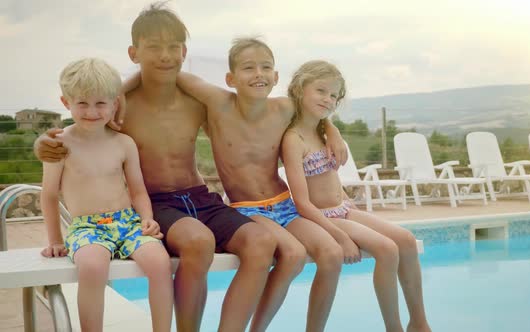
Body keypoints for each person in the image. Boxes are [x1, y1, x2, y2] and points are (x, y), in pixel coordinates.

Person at [35, 3, 277, 332]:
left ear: (184, 51)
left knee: (261, 243)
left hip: (200, 197)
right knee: (198, 242)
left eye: (173, 46)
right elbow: (84, 130)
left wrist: (325, 128)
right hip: (157, 202)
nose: (165, 55)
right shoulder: (121, 104)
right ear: (134, 52)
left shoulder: (196, 98)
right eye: (154, 46)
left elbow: (253, 114)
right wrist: (42, 142)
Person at [170, 37, 349, 332]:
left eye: (266, 67)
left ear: (276, 77)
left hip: (283, 203)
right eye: (248, 68)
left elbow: (317, 111)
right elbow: (171, 71)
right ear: (230, 78)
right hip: (246, 208)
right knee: (292, 255)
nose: (258, 74)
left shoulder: (283, 108)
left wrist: (333, 130)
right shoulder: (218, 103)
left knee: (331, 253)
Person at [281, 60, 432, 332]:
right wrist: (339, 237)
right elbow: (302, 202)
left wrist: (331, 130)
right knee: (386, 250)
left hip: (342, 208)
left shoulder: (322, 130)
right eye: (321, 91)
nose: (328, 99)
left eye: (334, 96)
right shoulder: (294, 139)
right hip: (320, 217)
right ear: (300, 88)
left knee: (406, 240)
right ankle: (393, 327)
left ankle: (419, 323)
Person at [40, 57, 173, 332]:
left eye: (101, 103)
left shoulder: (124, 143)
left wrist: (147, 219)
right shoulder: (58, 144)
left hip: (127, 222)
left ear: (115, 103)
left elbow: (137, 190)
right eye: (82, 103)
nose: (92, 111)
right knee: (92, 267)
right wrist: (55, 239)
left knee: (160, 264)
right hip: (87, 226)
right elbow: (50, 194)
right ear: (66, 103)